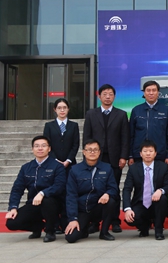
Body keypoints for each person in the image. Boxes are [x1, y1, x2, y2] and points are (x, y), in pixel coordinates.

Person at [82, 83, 129, 233]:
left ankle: (115, 221)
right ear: (99, 96)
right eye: (105, 94)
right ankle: (95, 222)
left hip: (115, 159)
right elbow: (87, 136)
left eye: (110, 94)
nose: (108, 97)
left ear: (114, 97)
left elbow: (125, 138)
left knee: (113, 189)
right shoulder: (91, 114)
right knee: (94, 189)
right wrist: (87, 156)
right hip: (95, 158)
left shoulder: (121, 115)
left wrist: (123, 157)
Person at [5, 136, 66, 242]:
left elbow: (59, 186)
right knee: (11, 223)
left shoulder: (57, 166)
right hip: (34, 203)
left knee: (47, 201)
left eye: (43, 146)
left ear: (49, 149)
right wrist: (13, 207)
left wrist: (43, 193)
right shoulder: (26, 167)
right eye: (37, 146)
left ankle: (50, 231)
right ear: (32, 149)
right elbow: (17, 189)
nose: (40, 148)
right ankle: (37, 227)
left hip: (54, 203)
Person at [65, 140, 119, 243]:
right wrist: (73, 219)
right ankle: (84, 229)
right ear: (84, 152)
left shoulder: (107, 168)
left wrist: (107, 194)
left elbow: (113, 188)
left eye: (95, 150)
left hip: (98, 207)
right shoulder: (75, 170)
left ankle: (104, 232)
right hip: (82, 209)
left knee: (111, 201)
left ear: (99, 152)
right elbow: (71, 195)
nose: (92, 152)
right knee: (71, 238)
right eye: (89, 150)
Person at [122, 140, 168, 240]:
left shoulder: (163, 167)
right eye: (145, 151)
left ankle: (159, 230)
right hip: (141, 202)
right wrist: (127, 208)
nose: (148, 153)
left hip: (157, 202)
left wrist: (160, 190)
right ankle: (144, 226)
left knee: (162, 199)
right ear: (140, 154)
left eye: (151, 151)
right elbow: (127, 189)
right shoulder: (133, 168)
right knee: (131, 219)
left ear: (155, 153)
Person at [129, 80, 168, 165]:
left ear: (158, 93)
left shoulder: (166, 110)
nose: (151, 93)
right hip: (139, 155)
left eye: (154, 90)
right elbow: (131, 135)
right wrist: (130, 155)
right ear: (144, 93)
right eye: (148, 90)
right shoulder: (136, 110)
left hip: (160, 155)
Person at [43, 98, 80, 169]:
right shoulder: (49, 126)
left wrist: (68, 160)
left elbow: (75, 144)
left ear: (68, 109)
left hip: (70, 164)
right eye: (59, 108)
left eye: (64, 108)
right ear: (55, 109)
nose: (62, 110)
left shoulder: (74, 125)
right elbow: (46, 144)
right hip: (52, 163)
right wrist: (55, 159)